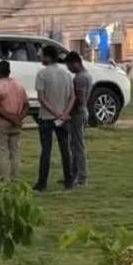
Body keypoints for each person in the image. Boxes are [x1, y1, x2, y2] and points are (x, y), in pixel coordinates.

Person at [33, 44, 74, 191]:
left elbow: (41, 99)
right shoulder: (66, 75)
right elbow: (72, 97)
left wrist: (55, 113)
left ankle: (42, 182)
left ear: (48, 57)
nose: (40, 57)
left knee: (46, 150)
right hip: (63, 117)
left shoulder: (42, 74)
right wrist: (64, 113)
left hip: (46, 117)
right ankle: (69, 180)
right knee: (65, 149)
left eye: (42, 54)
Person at [0, 60, 28, 181]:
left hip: (2, 123)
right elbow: (27, 105)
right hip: (16, 122)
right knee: (15, 151)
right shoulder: (19, 86)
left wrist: (10, 118)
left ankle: (4, 178)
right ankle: (16, 177)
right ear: (9, 71)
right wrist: (18, 118)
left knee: (2, 151)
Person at [64, 51, 92, 188]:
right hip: (82, 112)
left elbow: (79, 98)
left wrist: (67, 109)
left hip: (77, 114)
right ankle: (73, 174)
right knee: (74, 145)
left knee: (78, 146)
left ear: (75, 63)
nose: (68, 69)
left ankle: (82, 177)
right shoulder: (87, 75)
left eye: (69, 66)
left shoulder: (80, 78)